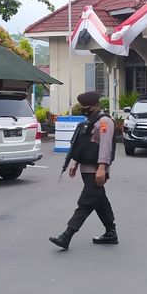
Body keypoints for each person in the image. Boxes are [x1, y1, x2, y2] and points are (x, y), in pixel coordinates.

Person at [50, 91, 117, 250]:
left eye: (85, 107)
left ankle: (67, 235)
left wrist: (102, 167)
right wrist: (76, 163)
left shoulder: (104, 121)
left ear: (93, 105)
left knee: (86, 202)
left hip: (96, 170)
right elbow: (85, 145)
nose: (83, 109)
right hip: (87, 169)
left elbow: (105, 146)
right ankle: (111, 233)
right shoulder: (90, 121)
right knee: (99, 201)